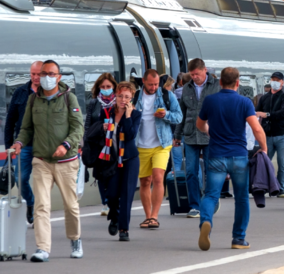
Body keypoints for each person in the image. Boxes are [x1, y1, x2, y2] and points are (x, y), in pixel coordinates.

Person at [12, 60, 84, 262]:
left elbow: (78, 128)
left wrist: (66, 145)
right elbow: (26, 129)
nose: (46, 77)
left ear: (59, 76)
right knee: (41, 205)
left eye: (51, 73)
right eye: (43, 73)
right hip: (42, 160)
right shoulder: (33, 100)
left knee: (71, 205)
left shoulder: (69, 99)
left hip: (66, 162)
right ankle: (43, 248)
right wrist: (19, 142)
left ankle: (75, 239)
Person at [196, 67, 267, 251]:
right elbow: (256, 129)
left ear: (220, 82)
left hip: (216, 155)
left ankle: (206, 222)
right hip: (239, 156)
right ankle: (238, 238)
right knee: (242, 198)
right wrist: (264, 149)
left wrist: (209, 131)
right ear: (238, 82)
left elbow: (199, 124)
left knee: (211, 194)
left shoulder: (210, 100)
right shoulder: (244, 102)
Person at [86, 82, 141, 242]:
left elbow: (130, 135)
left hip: (129, 159)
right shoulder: (106, 112)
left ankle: (124, 229)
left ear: (131, 99)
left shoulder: (136, 114)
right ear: (115, 96)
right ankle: (114, 217)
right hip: (109, 158)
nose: (123, 100)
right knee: (111, 193)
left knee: (126, 194)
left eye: (127, 97)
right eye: (120, 96)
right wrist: (101, 127)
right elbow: (94, 133)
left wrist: (128, 116)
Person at [135, 69, 182, 230]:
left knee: (157, 177)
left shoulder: (167, 95)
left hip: (162, 144)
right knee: (145, 181)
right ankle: (147, 216)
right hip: (140, 145)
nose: (154, 87)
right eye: (150, 84)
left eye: (156, 84)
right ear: (143, 81)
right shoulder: (135, 97)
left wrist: (166, 114)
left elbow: (179, 116)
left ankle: (154, 216)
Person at [174, 58, 220, 218]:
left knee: (211, 170)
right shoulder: (186, 88)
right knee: (191, 172)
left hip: (211, 135)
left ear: (205, 70)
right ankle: (195, 205)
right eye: (192, 74)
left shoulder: (216, 86)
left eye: (197, 74)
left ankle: (211, 201)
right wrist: (177, 135)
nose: (194, 77)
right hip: (190, 135)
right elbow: (182, 113)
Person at [4, 60, 42, 225]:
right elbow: (10, 121)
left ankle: (41, 213)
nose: (35, 77)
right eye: (33, 74)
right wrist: (8, 148)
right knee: (21, 178)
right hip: (24, 145)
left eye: (39, 74)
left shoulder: (51, 92)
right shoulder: (20, 92)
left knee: (44, 181)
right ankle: (30, 204)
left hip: (44, 145)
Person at [84, 73, 118, 217]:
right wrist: (86, 142)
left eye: (108, 87)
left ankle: (113, 202)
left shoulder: (119, 102)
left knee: (113, 173)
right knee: (100, 174)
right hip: (99, 143)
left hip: (115, 143)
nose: (105, 89)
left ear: (113, 87)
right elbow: (88, 124)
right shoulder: (93, 103)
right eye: (102, 87)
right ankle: (105, 202)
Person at [257, 72, 284, 197]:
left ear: (282, 82)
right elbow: (257, 111)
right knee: (265, 162)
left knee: (282, 163)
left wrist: (268, 115)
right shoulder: (264, 98)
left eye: (277, 80)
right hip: (267, 135)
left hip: (283, 134)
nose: (275, 82)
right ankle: (265, 186)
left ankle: (280, 188)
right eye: (273, 79)